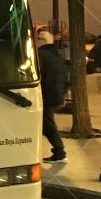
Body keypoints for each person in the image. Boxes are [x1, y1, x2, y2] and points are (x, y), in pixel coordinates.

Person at [37, 29, 68, 162]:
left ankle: (59, 151)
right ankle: (58, 150)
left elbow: (38, 75)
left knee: (47, 124)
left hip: (46, 95)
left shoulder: (41, 55)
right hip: (56, 94)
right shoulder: (58, 56)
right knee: (47, 122)